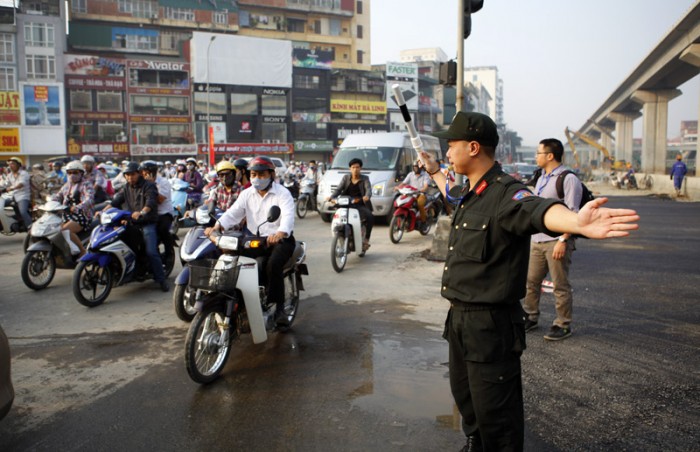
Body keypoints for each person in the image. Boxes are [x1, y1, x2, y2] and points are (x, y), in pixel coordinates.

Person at [420, 111, 639, 451]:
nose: (447, 153)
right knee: (468, 404)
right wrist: (434, 171)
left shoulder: (507, 193)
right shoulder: (471, 192)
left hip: (490, 326)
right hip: (460, 320)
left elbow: (538, 209)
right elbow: (450, 194)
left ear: (474, 147)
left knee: (498, 418)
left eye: (452, 146)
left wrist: (576, 223)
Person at [206, 156, 295, 325]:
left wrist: (280, 233)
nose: (257, 178)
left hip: (280, 241)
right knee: (236, 261)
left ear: (271, 175)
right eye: (253, 174)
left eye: (262, 175)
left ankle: (280, 308)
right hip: (255, 240)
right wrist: (216, 227)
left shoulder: (283, 193)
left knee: (272, 265)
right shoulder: (246, 194)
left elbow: (288, 216)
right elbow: (233, 213)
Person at [522, 138, 583, 342]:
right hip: (537, 239)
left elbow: (573, 214)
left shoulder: (568, 179)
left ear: (549, 156)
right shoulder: (541, 177)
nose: (536, 157)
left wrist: (563, 240)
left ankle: (563, 324)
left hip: (557, 241)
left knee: (560, 284)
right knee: (531, 281)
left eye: (539, 153)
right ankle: (530, 316)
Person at [105, 162, 169, 292]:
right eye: (127, 175)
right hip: (131, 222)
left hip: (147, 222)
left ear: (139, 173)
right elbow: (116, 201)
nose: (130, 178)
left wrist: (142, 212)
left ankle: (161, 279)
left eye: (132, 174)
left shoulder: (149, 185)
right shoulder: (126, 187)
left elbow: (150, 201)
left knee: (151, 252)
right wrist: (103, 211)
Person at [326, 158, 374, 251]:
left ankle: (366, 240)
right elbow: (338, 190)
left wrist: (367, 196)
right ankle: (340, 235)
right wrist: (331, 197)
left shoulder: (365, 178)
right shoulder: (346, 178)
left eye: (357, 167)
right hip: (345, 203)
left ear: (360, 168)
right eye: (353, 167)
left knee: (370, 217)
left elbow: (368, 190)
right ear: (350, 169)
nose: (355, 169)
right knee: (334, 217)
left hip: (359, 203)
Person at [51, 161, 95, 256]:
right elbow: (58, 196)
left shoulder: (86, 184)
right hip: (67, 214)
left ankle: (82, 251)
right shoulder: (67, 185)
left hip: (82, 215)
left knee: (65, 230)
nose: (72, 175)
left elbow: (90, 199)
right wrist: (49, 203)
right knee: (53, 228)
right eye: (69, 173)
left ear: (81, 173)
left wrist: (78, 207)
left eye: (75, 172)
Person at [139, 160, 175, 262]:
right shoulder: (142, 183)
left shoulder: (163, 182)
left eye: (145, 172)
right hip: (149, 213)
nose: (143, 174)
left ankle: (168, 252)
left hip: (164, 213)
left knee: (162, 229)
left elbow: (159, 200)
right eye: (142, 172)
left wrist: (152, 185)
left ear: (152, 172)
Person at [4, 157, 33, 229]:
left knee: (23, 212)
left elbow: (21, 184)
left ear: (18, 165)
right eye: (10, 164)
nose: (11, 166)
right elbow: (4, 184)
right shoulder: (9, 175)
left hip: (23, 196)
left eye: (13, 164)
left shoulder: (24, 173)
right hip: (12, 196)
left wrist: (11, 188)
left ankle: (31, 229)